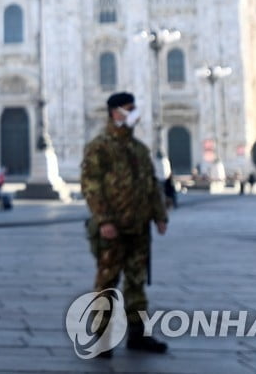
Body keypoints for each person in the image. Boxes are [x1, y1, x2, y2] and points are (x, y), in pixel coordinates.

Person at [81, 92, 169, 356]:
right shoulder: (100, 146)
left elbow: (151, 185)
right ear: (114, 112)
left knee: (136, 282)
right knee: (107, 282)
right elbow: (91, 186)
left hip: (139, 228)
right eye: (129, 109)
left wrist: (159, 215)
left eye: (134, 109)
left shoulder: (139, 149)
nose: (134, 114)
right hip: (113, 228)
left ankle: (138, 335)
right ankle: (101, 338)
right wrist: (104, 219)